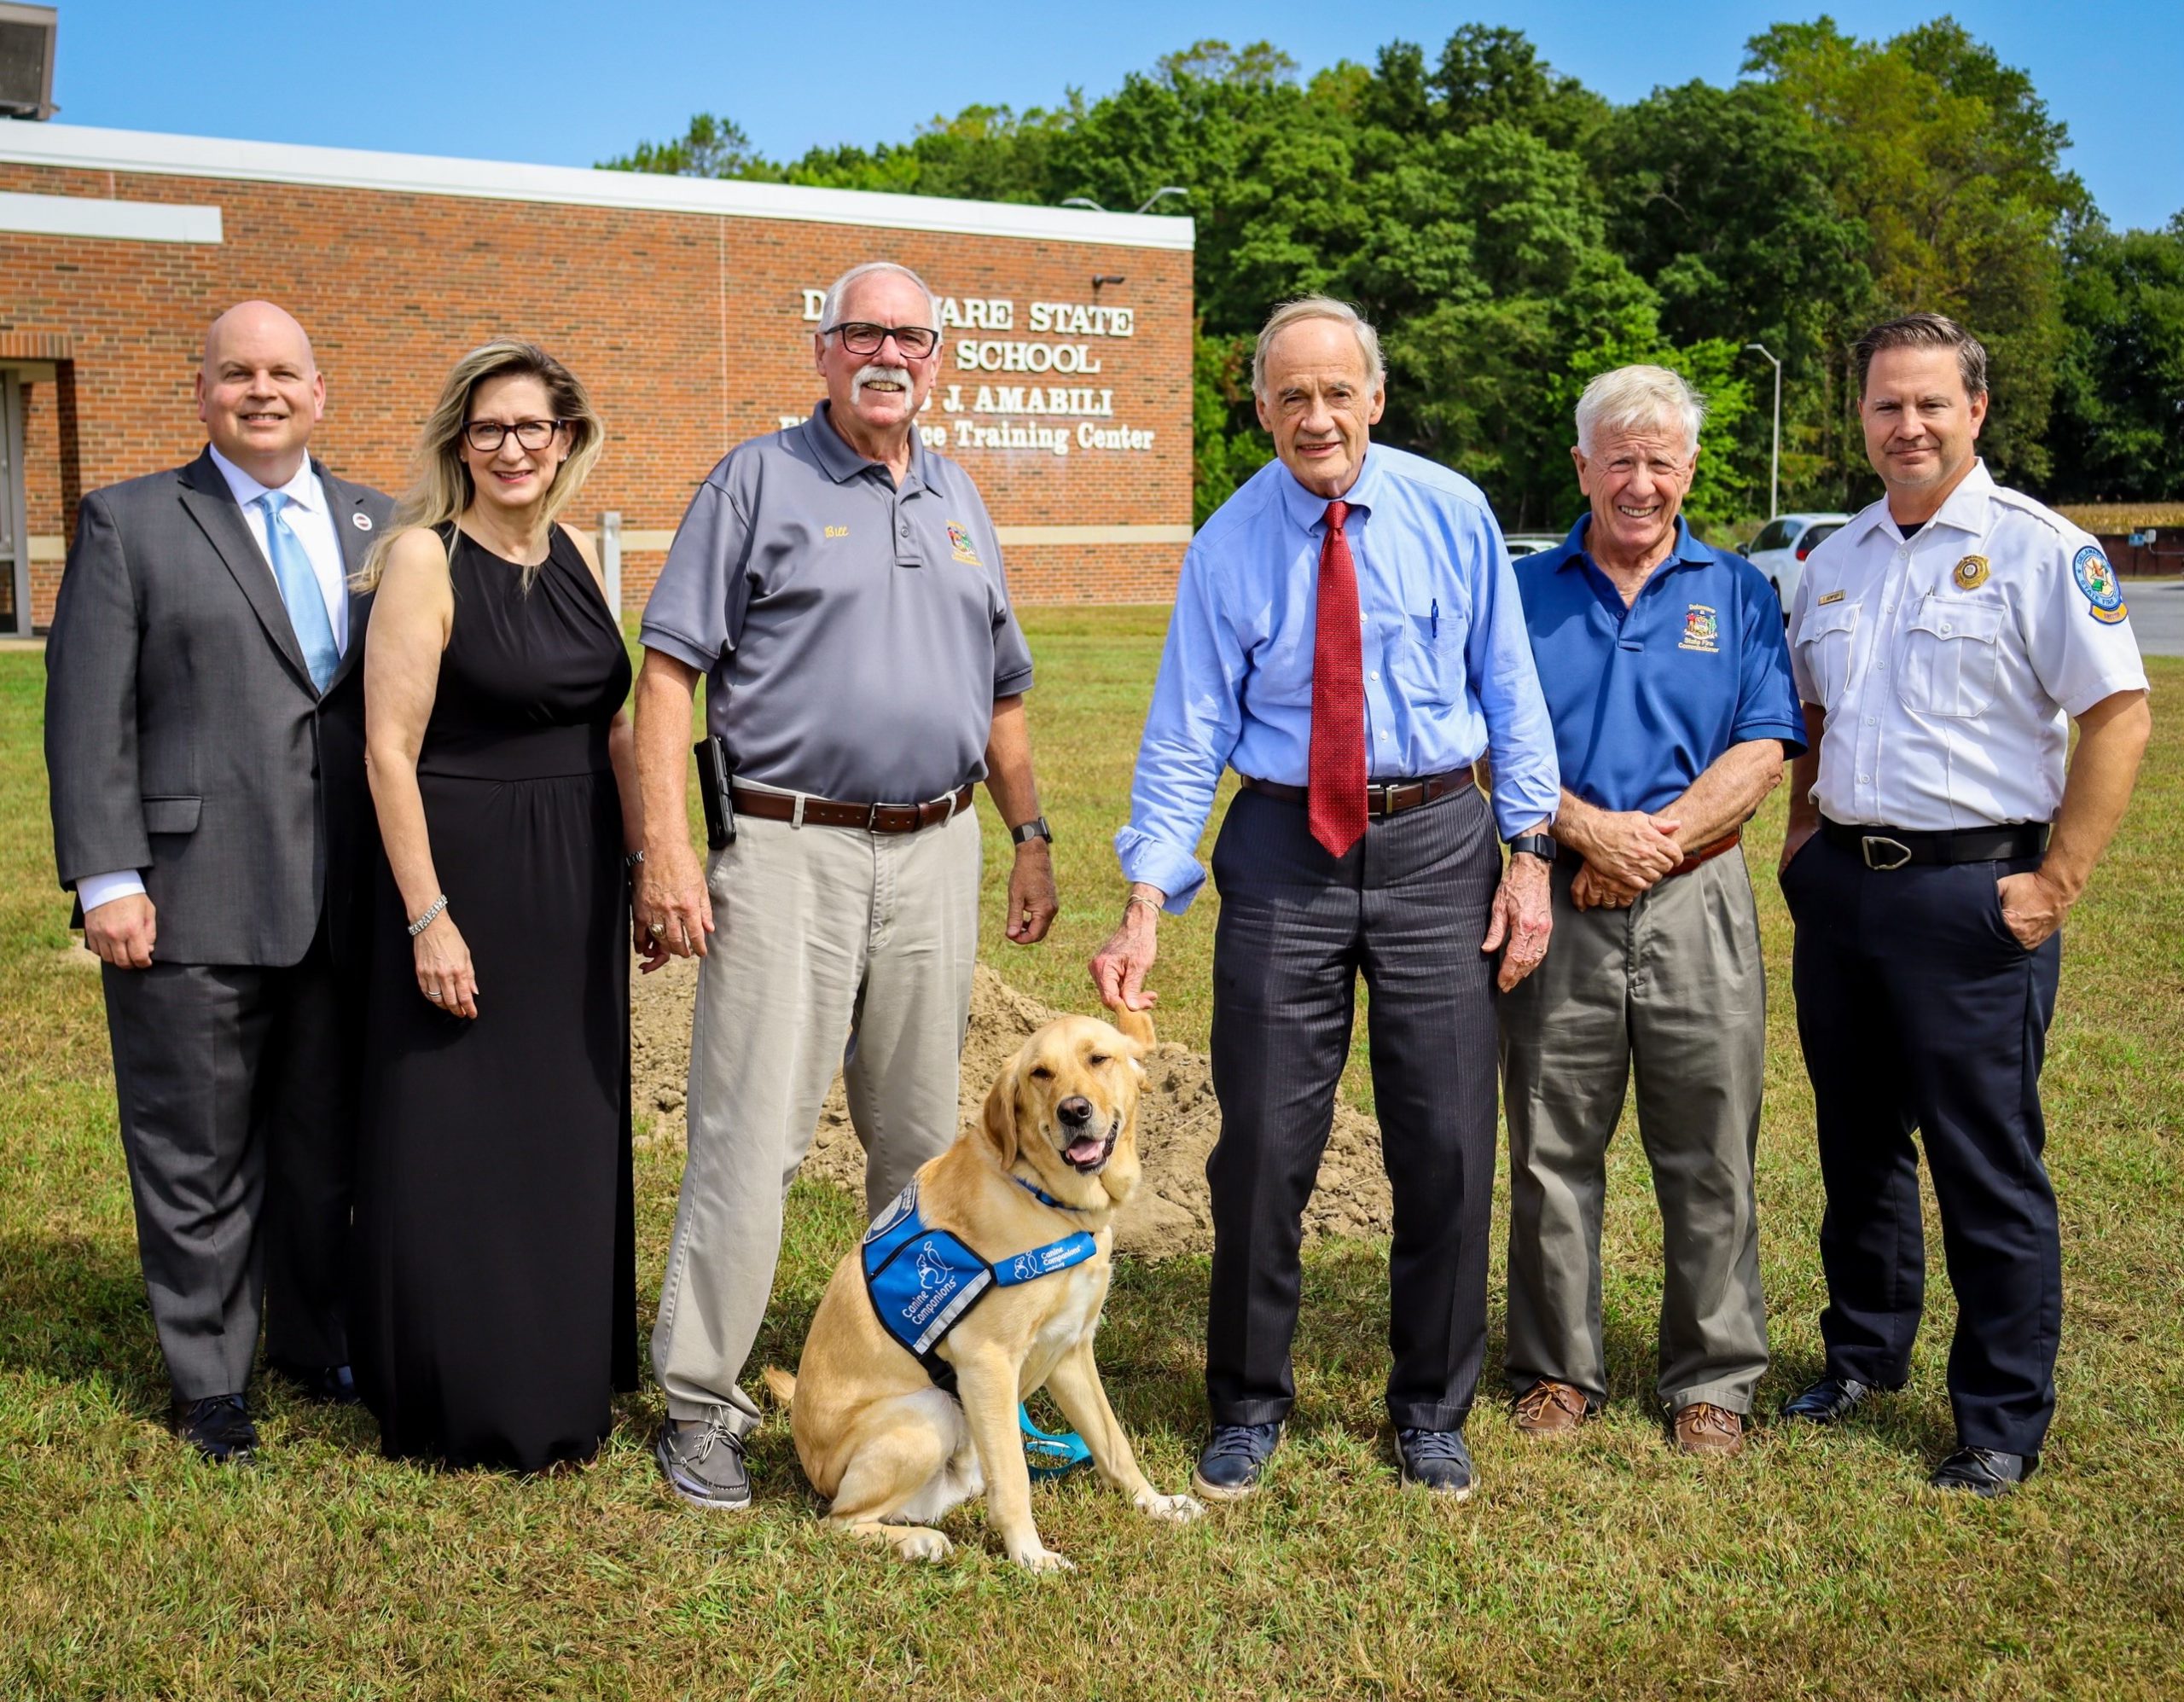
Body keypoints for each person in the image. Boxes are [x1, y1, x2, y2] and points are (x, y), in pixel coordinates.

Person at [1091, 295, 1560, 1502]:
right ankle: (1247, 1402)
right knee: (1261, 1145)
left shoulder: (1452, 513)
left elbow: (1510, 688)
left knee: (1448, 1138)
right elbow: (1187, 729)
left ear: (1376, 398)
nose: (1317, 416)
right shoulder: (1227, 542)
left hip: (1436, 842)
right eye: (1290, 396)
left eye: (1336, 391)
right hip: (1283, 851)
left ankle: (1431, 1408)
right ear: (1260, 408)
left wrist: (1530, 854)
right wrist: (1147, 896)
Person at [634, 259, 1058, 1511]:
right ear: (823, 350)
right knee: (750, 1139)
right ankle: (701, 1402)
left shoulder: (959, 494)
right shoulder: (756, 481)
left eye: (913, 337)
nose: (890, 353)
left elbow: (1004, 694)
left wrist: (1028, 832)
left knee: (930, 1157)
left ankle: (919, 1389)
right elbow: (666, 678)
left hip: (938, 847)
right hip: (785, 846)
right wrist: (667, 848)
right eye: (864, 331)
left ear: (940, 358)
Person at [1779, 312, 2150, 1496]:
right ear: (1863, 418)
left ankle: (1997, 1418)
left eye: (1931, 402)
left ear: (1976, 409)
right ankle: (1862, 1357)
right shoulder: (1833, 559)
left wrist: (2053, 886)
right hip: (1845, 890)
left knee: (1985, 1162)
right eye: (1887, 404)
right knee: (1857, 1148)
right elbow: (1816, 717)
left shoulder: (2042, 549)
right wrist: (1799, 839)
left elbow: (2119, 714)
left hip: (1973, 894)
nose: (1909, 425)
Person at [44, 300, 388, 1463]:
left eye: (284, 370)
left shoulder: (381, 527)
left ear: (319, 390)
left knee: (322, 1139)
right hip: (190, 889)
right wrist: (108, 878)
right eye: (235, 373)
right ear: (200, 394)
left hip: (345, 897)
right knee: (192, 1142)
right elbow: (87, 714)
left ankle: (313, 1332)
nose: (261, 390)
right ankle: (208, 1377)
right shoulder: (131, 520)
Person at [1500, 365, 1804, 1457]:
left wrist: (1645, 849)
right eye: (1617, 460)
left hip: (1698, 898)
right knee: (1548, 1146)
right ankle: (1552, 1369)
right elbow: (1494, 742)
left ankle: (1713, 1379)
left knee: (1710, 1147)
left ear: (1688, 469)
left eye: (1659, 461)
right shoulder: (1524, 592)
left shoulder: (1737, 592)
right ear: (1581, 465)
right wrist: (1588, 833)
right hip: (1555, 897)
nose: (1639, 482)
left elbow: (1764, 745)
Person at [352, 342, 645, 1473]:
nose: (513, 448)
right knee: (460, 1137)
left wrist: (644, 865)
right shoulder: (424, 559)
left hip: (576, 879)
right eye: (489, 429)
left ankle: (562, 1367)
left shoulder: (577, 549)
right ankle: (461, 1394)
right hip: (463, 869)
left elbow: (612, 722)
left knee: (563, 1129)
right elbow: (387, 749)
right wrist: (429, 915)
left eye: (534, 427)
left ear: (568, 435)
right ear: (458, 442)